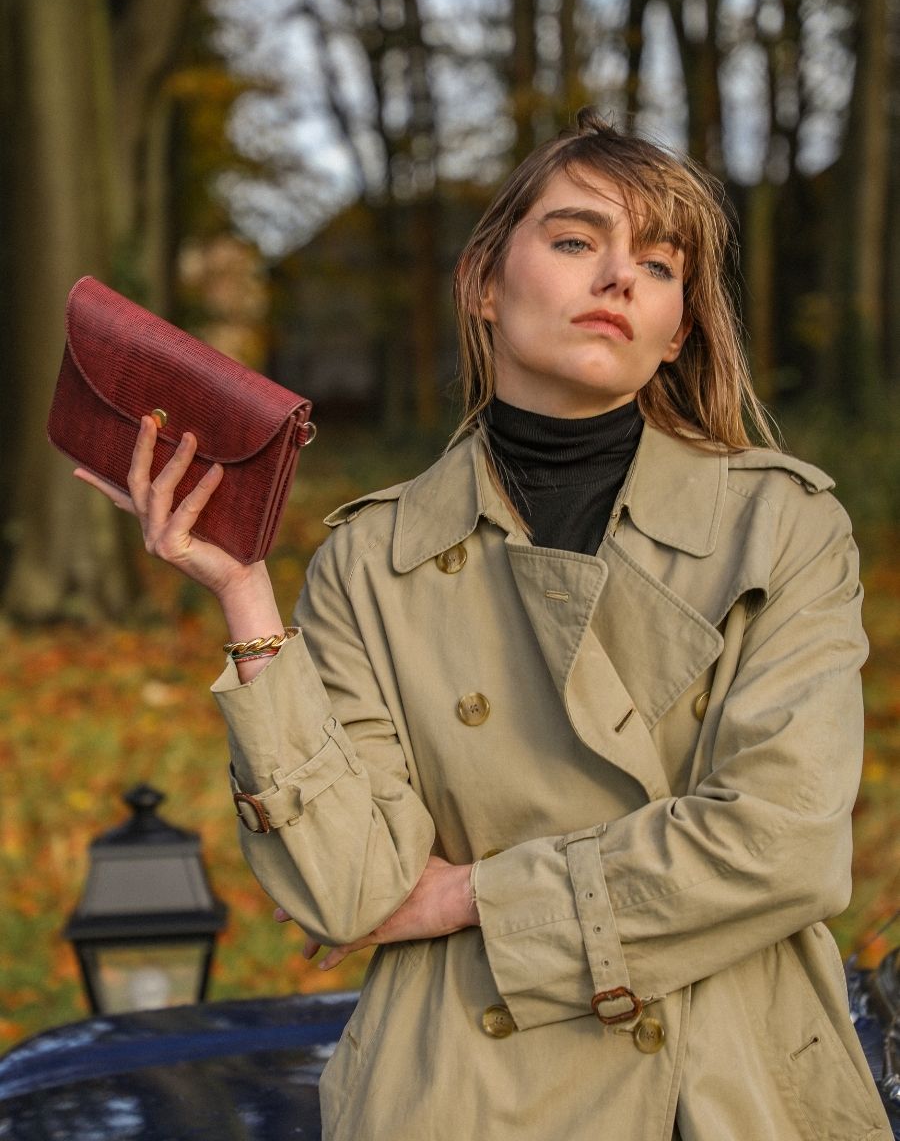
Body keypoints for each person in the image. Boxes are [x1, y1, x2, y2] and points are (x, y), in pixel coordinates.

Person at [77, 108, 891, 1141]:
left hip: (727, 1085)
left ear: (679, 325)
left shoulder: (781, 527)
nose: (619, 278)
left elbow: (785, 846)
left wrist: (470, 896)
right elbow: (345, 889)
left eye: (658, 262)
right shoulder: (375, 560)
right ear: (482, 285)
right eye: (573, 240)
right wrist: (243, 589)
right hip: (460, 1092)